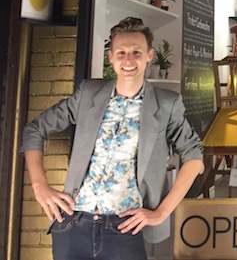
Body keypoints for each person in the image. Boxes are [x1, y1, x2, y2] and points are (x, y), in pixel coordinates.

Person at [21, 16, 204, 260]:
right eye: (121, 53)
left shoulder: (167, 104)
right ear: (111, 57)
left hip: (127, 227)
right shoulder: (88, 94)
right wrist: (40, 186)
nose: (128, 60)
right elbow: (34, 129)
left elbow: (194, 156)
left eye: (136, 52)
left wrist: (161, 212)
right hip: (73, 222)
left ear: (149, 55)